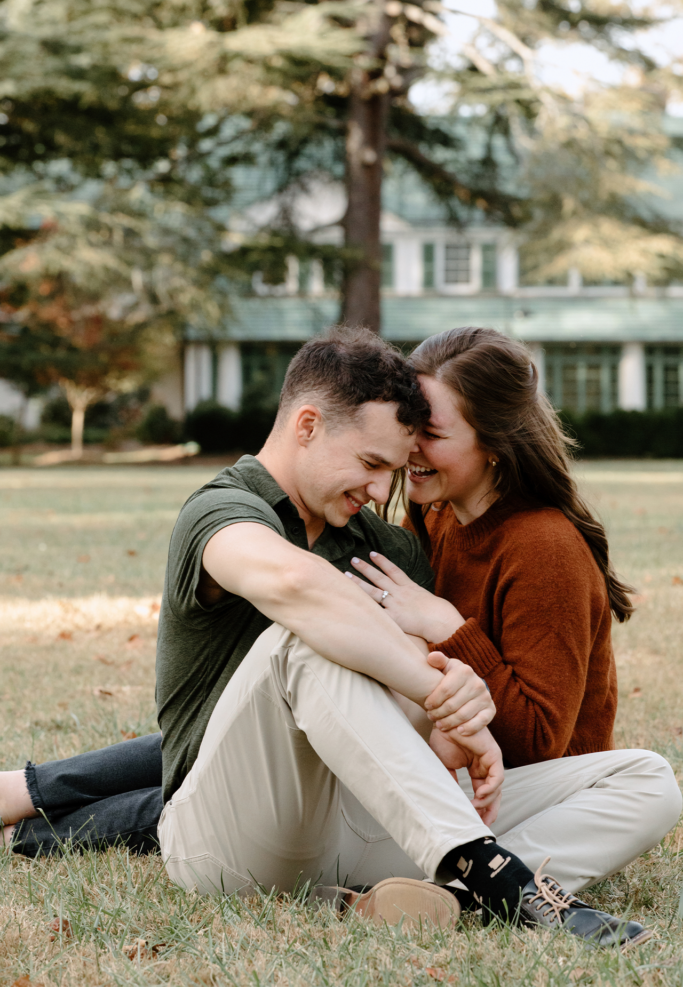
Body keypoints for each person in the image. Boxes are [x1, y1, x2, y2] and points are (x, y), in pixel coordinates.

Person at [0, 327, 671, 947]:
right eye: (376, 461)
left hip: (354, 822)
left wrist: (443, 678)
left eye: (409, 453)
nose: (389, 486)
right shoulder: (225, 508)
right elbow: (301, 594)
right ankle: (501, 878)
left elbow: (422, 713)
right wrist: (440, 685)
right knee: (305, 642)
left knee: (651, 778)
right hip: (222, 828)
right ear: (308, 426)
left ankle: (440, 894)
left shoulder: (395, 546)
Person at [342, 326, 682, 902]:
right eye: (408, 429)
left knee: (652, 785)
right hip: (430, 771)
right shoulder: (434, 518)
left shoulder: (544, 546)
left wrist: (449, 628)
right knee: (172, 765)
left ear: (494, 443)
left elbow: (539, 740)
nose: (411, 450)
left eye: (432, 433)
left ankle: (461, 896)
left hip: (523, 787)